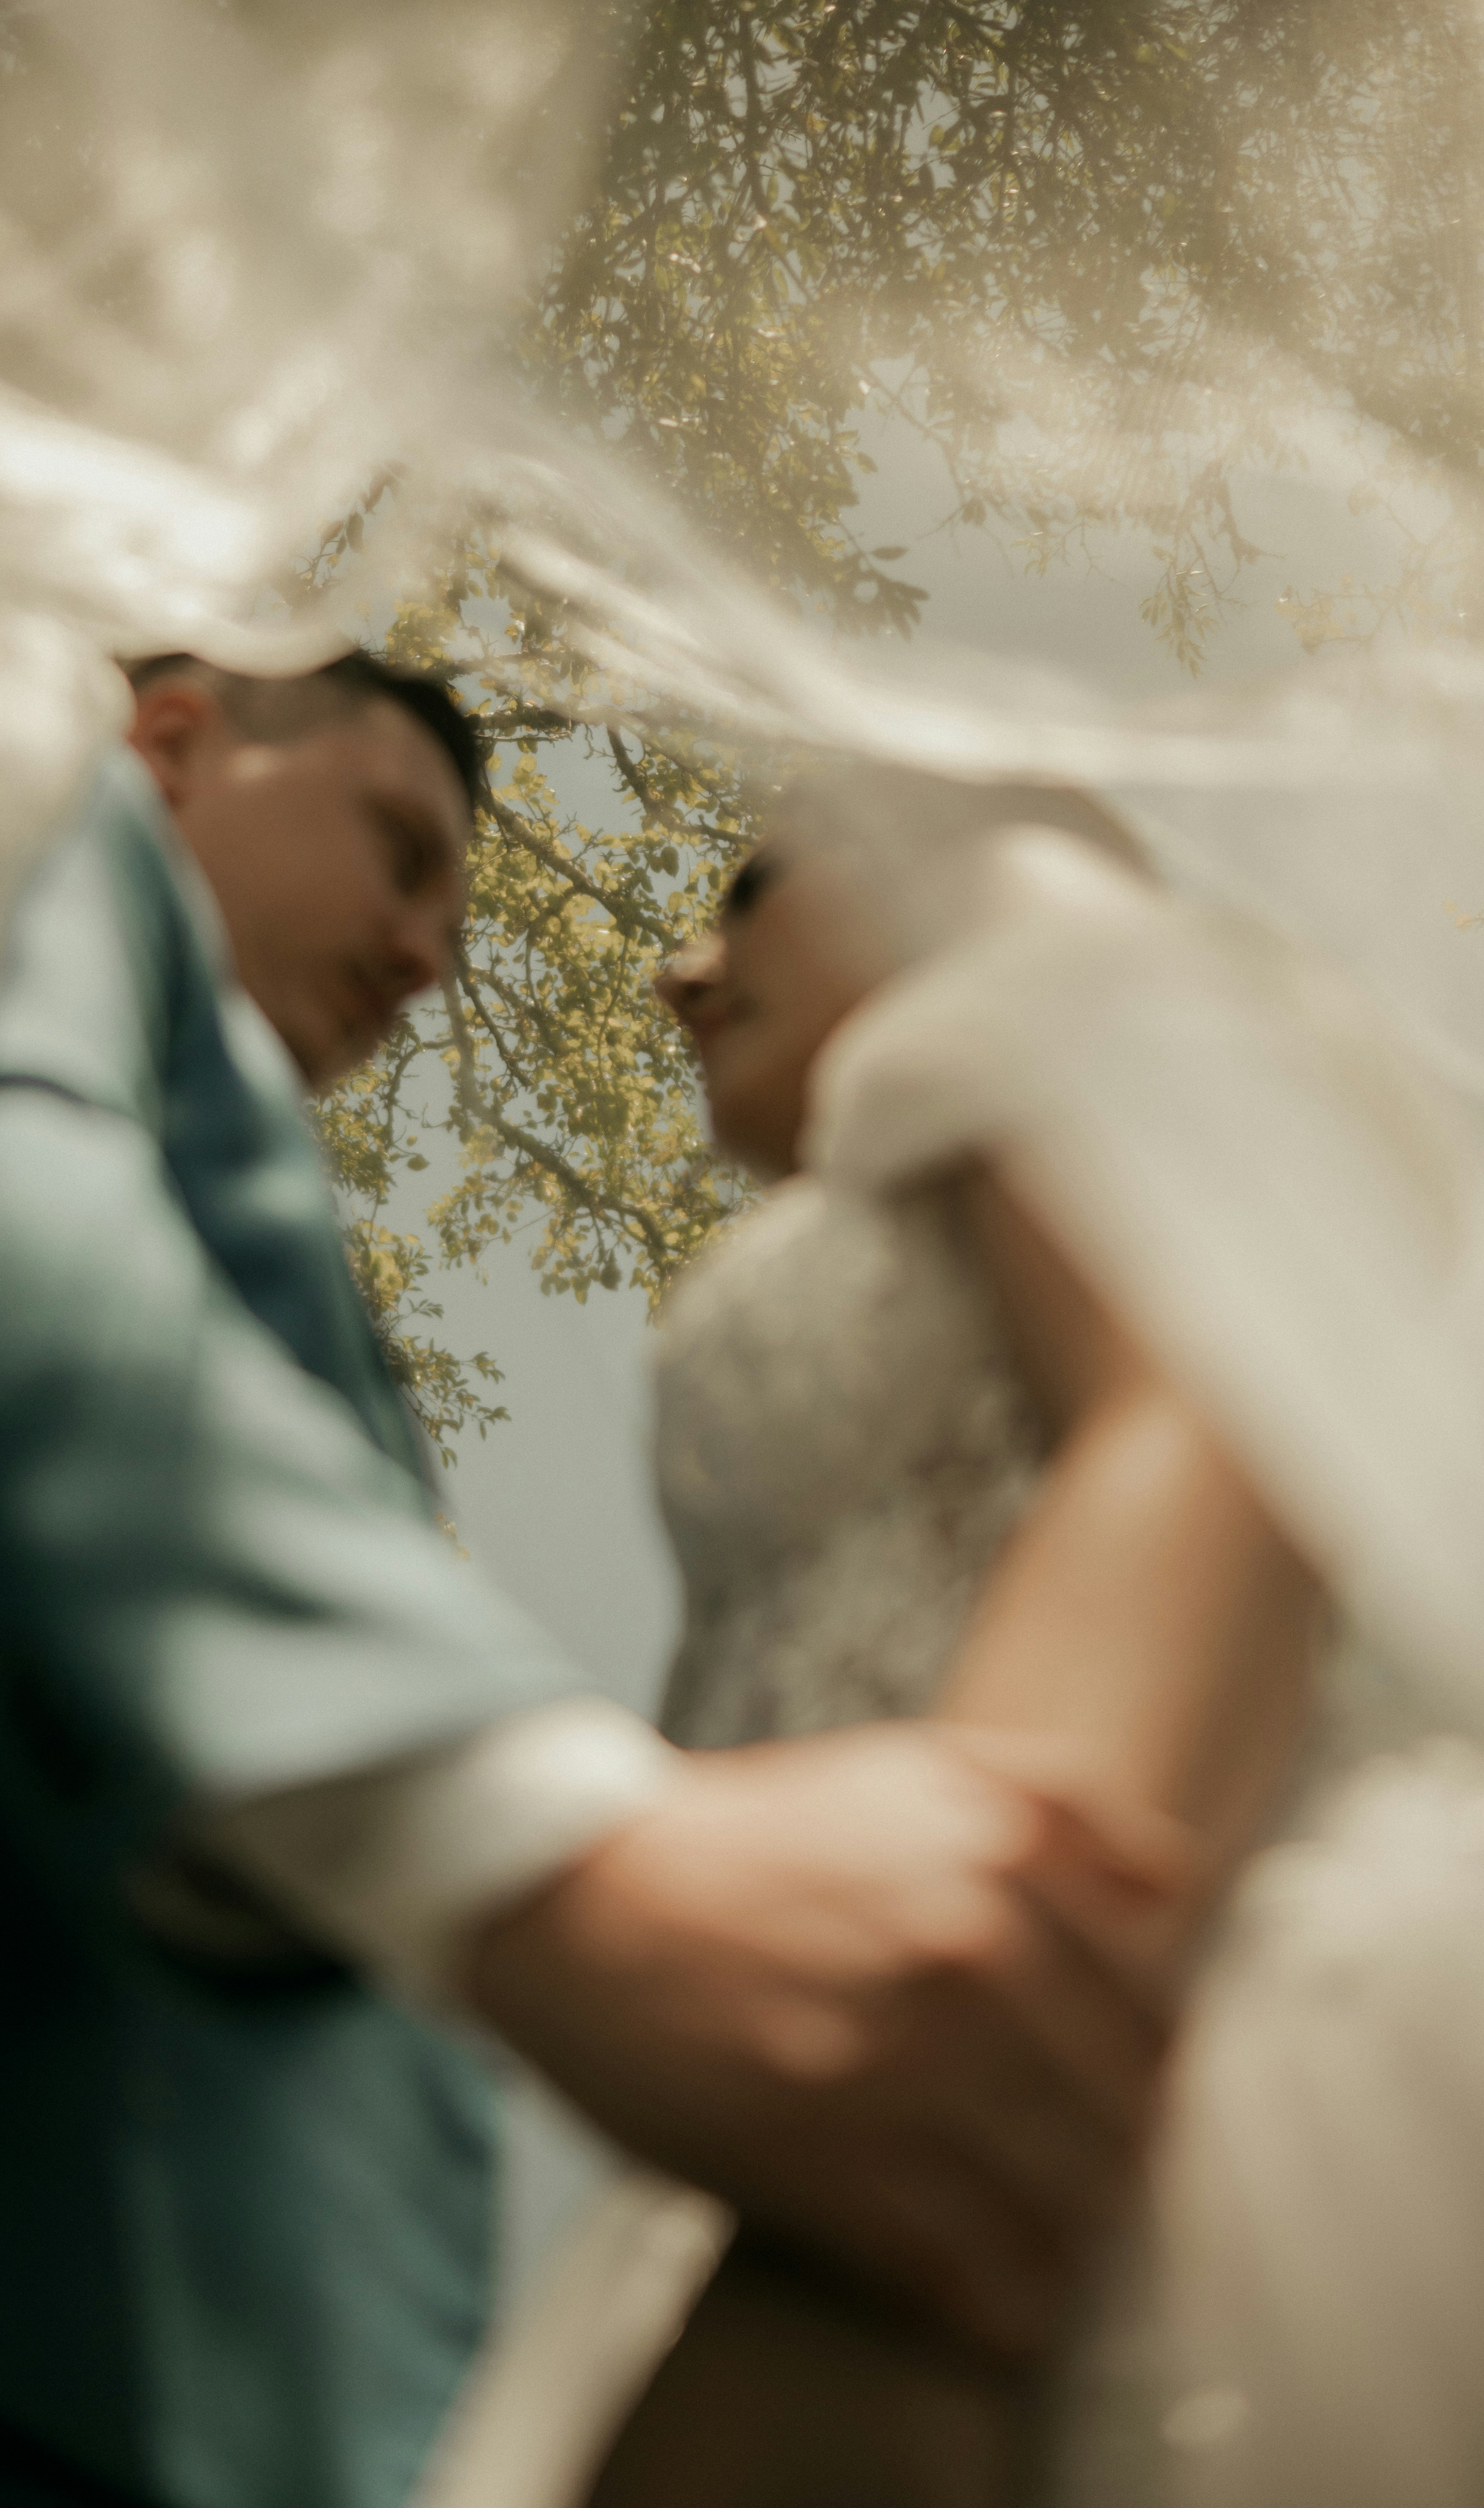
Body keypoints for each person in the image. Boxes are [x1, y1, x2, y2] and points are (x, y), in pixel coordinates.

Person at [0, 666, 1172, 2508]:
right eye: (399, 848)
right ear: (179, 736)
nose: (434, 953)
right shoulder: (14, 785)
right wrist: (543, 1855)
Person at [422, 768, 1484, 2508]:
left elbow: (1205, 1424)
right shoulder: (903, 1174)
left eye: (751, 889)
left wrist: (900, 2271)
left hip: (1094, 2047)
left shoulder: (1043, 923)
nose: (682, 971)